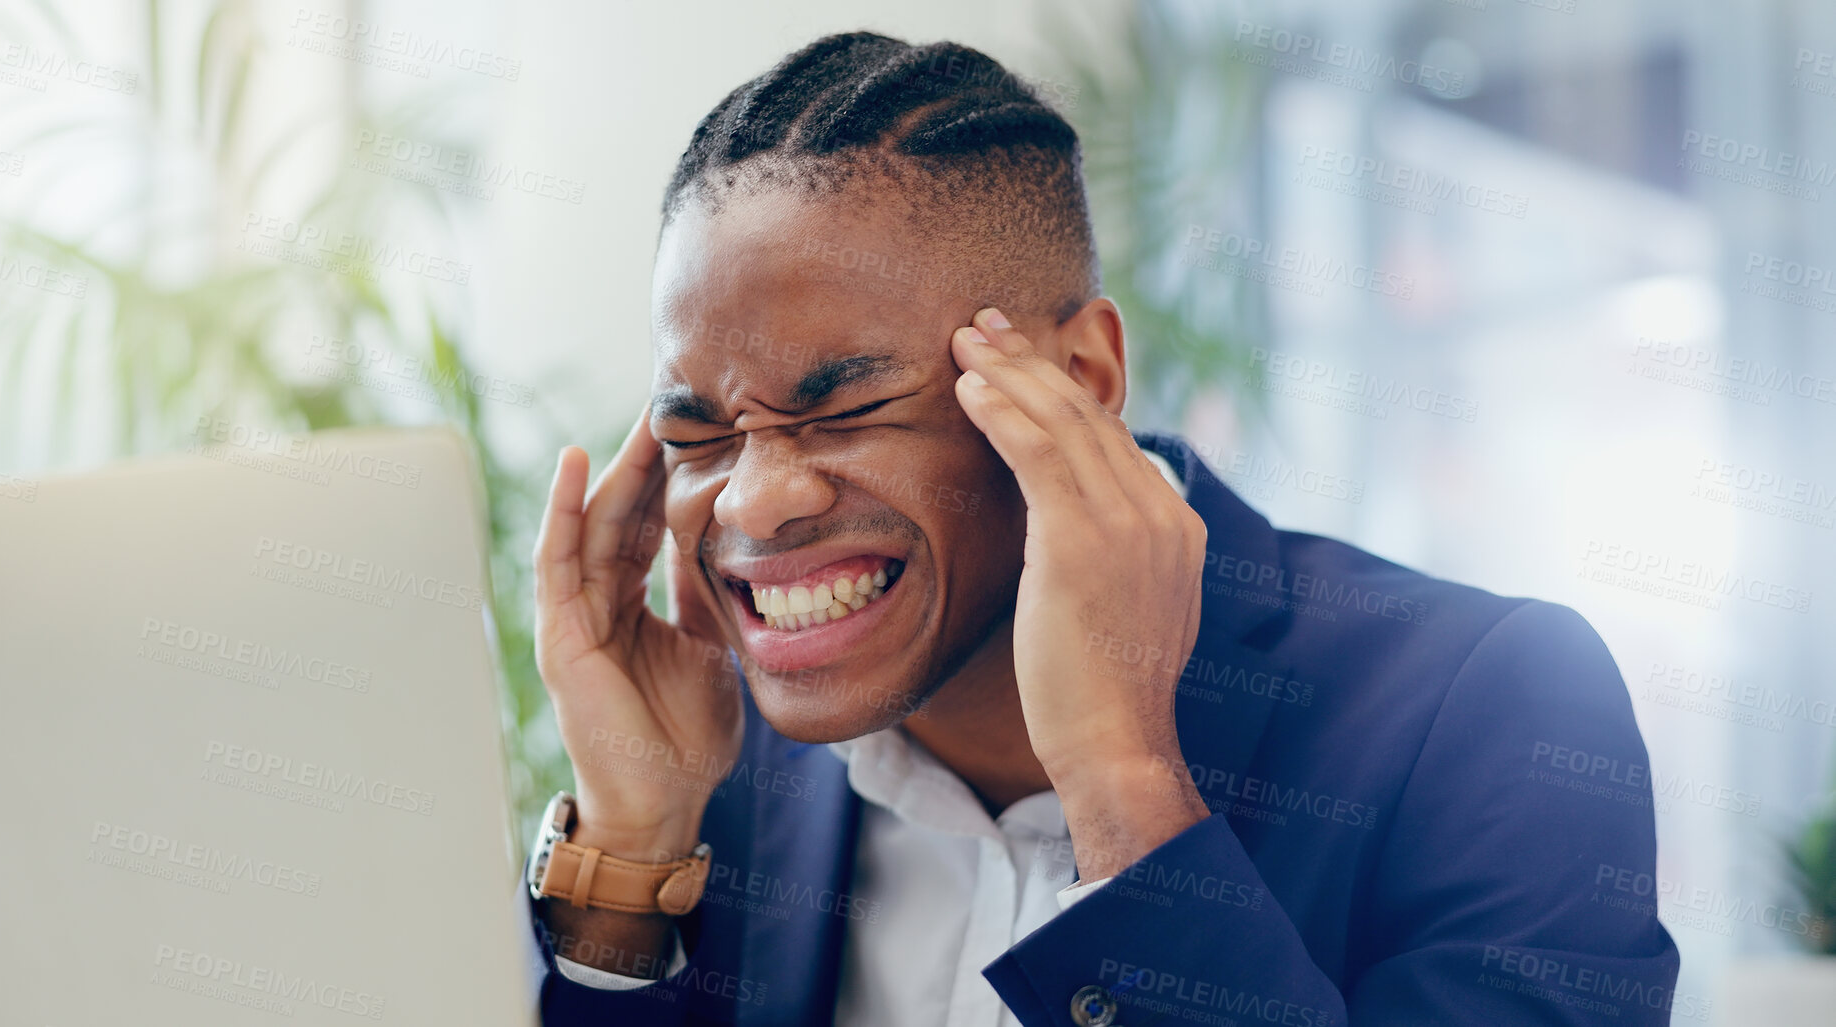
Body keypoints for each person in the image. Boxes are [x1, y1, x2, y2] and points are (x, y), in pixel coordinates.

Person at [524, 30, 1682, 1027]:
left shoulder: (1494, 710)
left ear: (1079, 377)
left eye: (847, 405)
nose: (751, 501)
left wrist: (1125, 787)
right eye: (699, 434)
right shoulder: (726, 776)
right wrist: (633, 842)